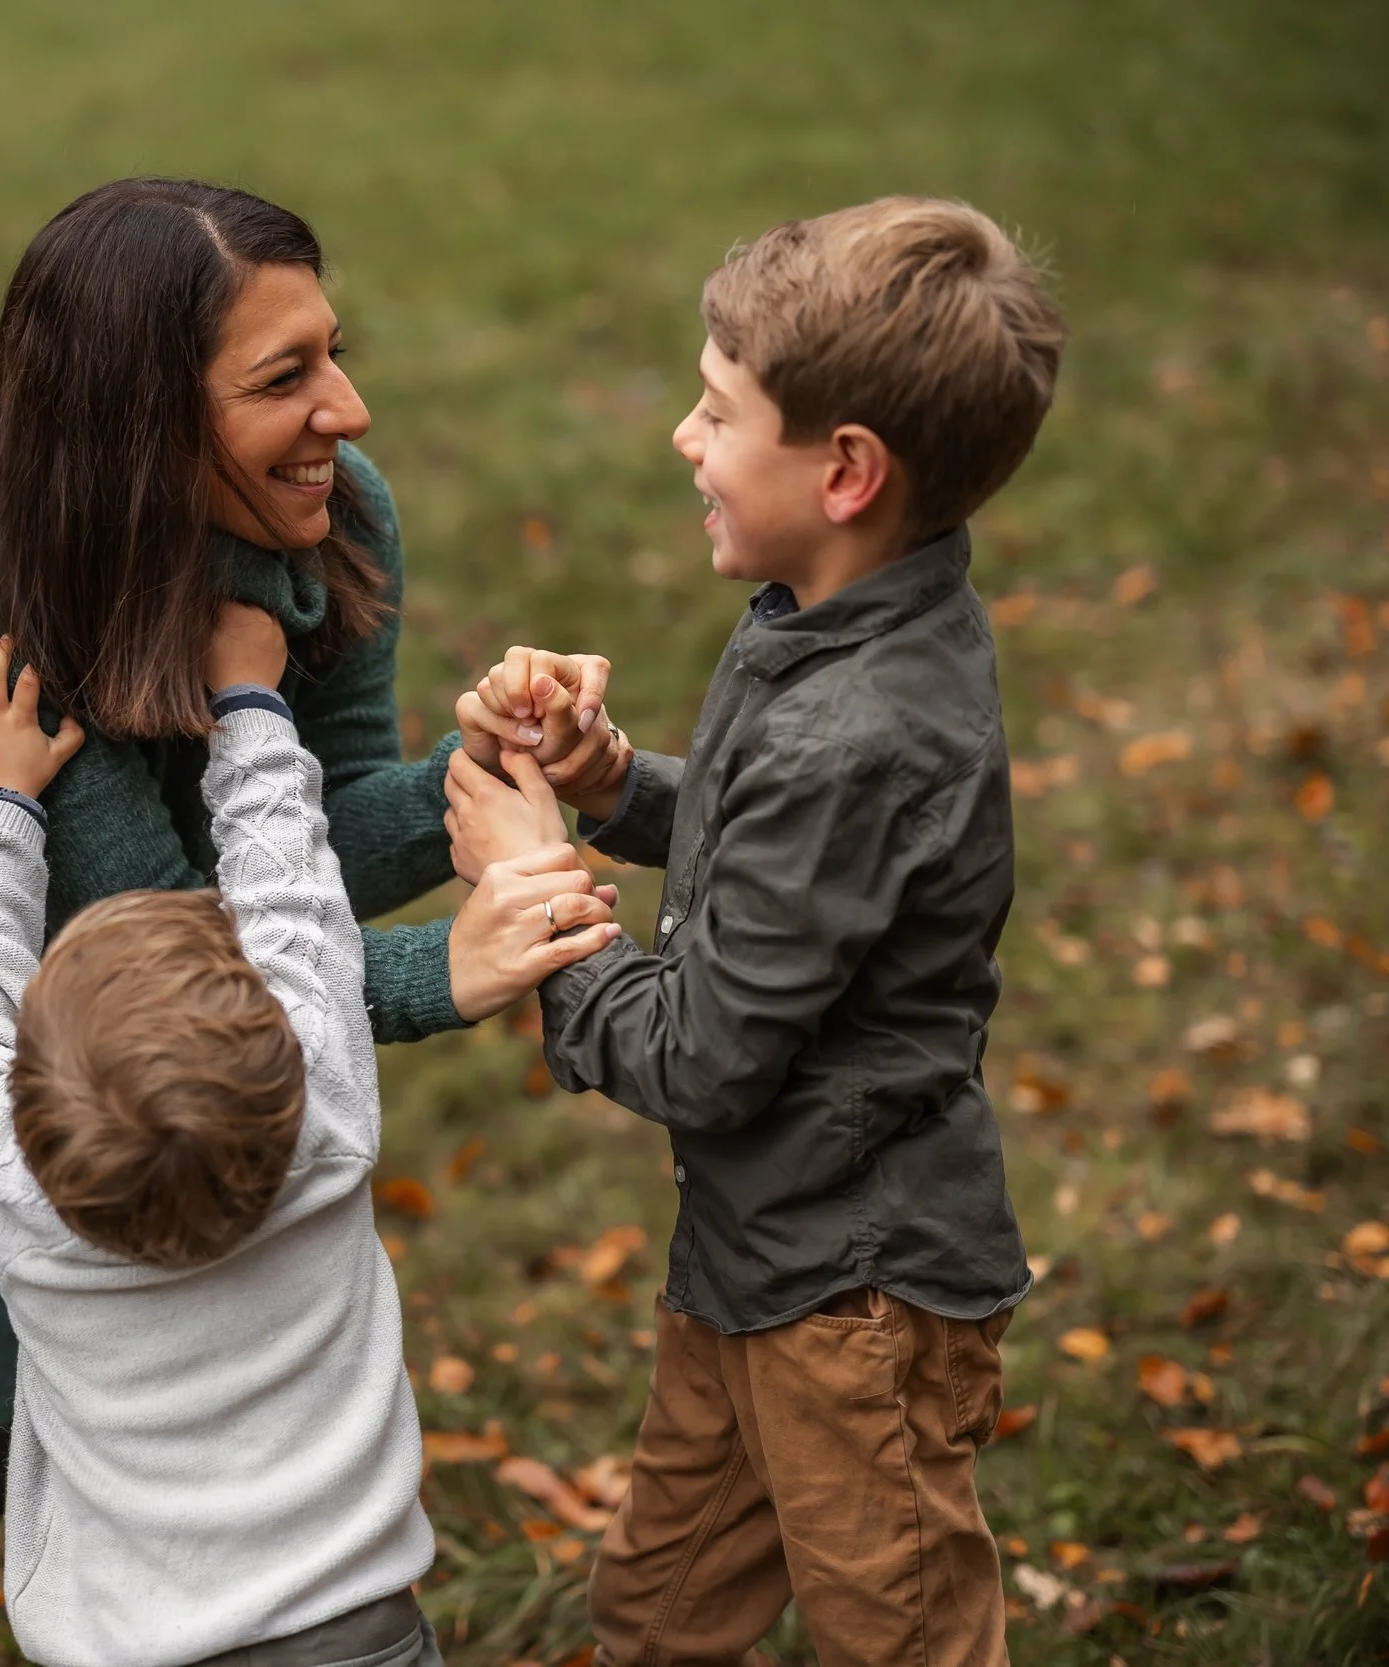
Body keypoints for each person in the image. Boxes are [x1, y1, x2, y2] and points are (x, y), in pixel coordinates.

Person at [0, 177, 619, 1662]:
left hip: (162, 1026)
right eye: (284, 379)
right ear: (136, 422)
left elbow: (310, 836)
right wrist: (449, 971)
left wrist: (490, 770)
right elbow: (169, 939)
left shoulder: (329, 512)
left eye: (334, 350)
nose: (344, 407)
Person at [444, 196, 1064, 1667]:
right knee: (661, 1606)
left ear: (846, 470)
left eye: (718, 411)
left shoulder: (863, 724)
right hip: (753, 1250)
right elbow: (770, 848)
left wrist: (541, 894)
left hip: (854, 1295)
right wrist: (606, 784)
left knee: (896, 1632)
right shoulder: (833, 607)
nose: (682, 436)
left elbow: (707, 1052)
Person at [0, 624, 615, 1667]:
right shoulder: (319, 1127)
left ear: (26, 1090)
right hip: (358, 1636)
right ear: (279, 1041)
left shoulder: (16, 1194)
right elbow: (294, 905)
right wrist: (249, 702)